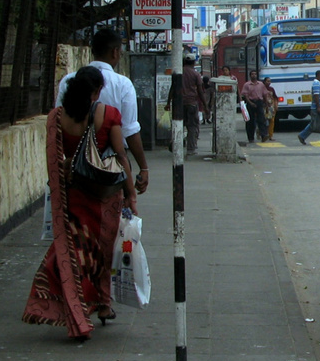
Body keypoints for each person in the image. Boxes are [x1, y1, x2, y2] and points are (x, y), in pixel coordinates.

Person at [23, 67, 138, 341]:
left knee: (75, 252)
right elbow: (121, 157)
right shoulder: (108, 115)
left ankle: (78, 306)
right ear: (97, 91)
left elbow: (55, 162)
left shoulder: (57, 118)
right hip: (104, 197)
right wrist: (131, 195)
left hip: (74, 195)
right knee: (103, 252)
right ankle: (104, 306)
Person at [57, 27, 150, 194]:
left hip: (74, 168)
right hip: (109, 168)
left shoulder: (68, 81)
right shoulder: (122, 85)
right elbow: (129, 132)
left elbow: (58, 122)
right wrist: (143, 168)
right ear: (115, 52)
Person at [165, 54, 209, 155]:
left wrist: (168, 103)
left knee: (178, 124)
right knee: (192, 126)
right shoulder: (195, 74)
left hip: (178, 104)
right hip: (191, 103)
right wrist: (205, 106)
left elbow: (173, 88)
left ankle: (175, 143)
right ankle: (191, 149)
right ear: (194, 62)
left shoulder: (178, 73)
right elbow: (200, 91)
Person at [298, 70, 320, 145]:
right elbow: (316, 96)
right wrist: (318, 107)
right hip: (318, 108)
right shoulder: (316, 83)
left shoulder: (319, 83)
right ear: (317, 76)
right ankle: (302, 135)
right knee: (315, 124)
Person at [240, 70, 268, 143]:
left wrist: (266, 102)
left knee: (261, 119)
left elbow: (265, 94)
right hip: (250, 103)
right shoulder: (247, 85)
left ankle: (264, 135)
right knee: (250, 121)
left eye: (255, 74)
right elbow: (245, 95)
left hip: (259, 102)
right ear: (250, 76)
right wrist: (250, 103)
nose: (254, 75)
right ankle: (250, 137)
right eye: (252, 74)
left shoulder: (261, 84)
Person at [262, 76, 278, 141]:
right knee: (263, 121)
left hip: (271, 106)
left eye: (270, 81)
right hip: (264, 106)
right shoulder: (262, 89)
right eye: (267, 81)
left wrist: (276, 105)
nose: (269, 82)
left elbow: (275, 97)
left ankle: (270, 135)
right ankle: (263, 134)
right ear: (264, 82)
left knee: (272, 120)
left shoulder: (271, 89)